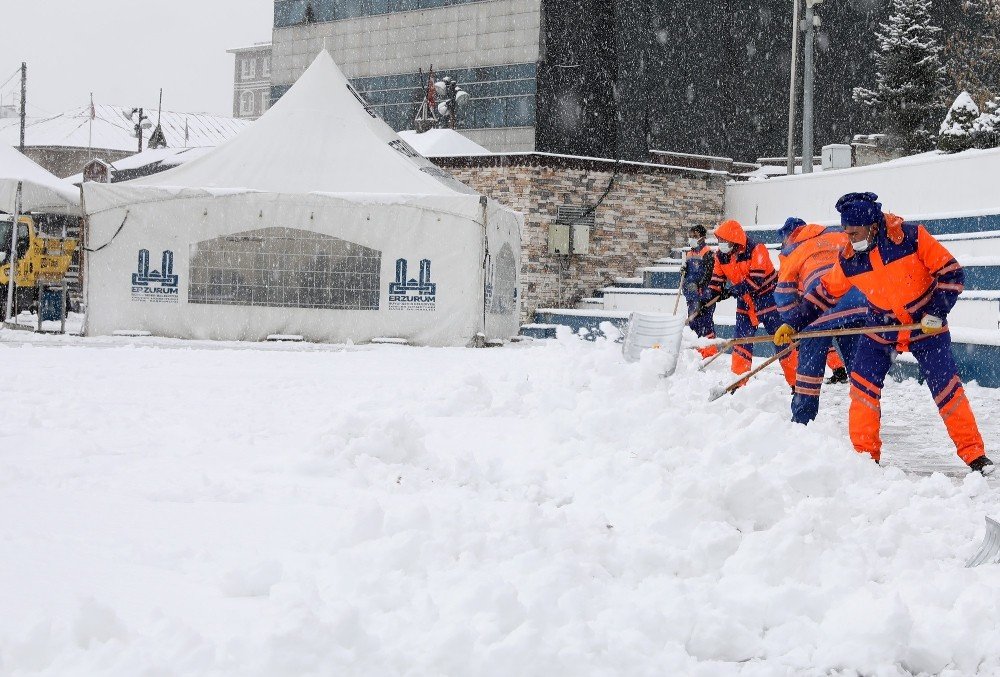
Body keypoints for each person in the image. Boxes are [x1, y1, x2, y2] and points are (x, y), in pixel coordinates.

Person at [775, 192, 995, 475]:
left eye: (854, 233)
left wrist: (936, 312)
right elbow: (824, 293)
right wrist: (793, 323)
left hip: (925, 325)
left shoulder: (912, 238)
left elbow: (951, 273)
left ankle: (975, 455)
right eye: (846, 233)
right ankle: (864, 459)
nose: (849, 239)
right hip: (881, 327)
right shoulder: (850, 258)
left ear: (872, 225)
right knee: (862, 389)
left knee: (947, 390)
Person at [776, 217, 868, 424]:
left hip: (818, 309)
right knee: (861, 372)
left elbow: (783, 292)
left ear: (790, 236)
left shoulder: (794, 250)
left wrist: (793, 323)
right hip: (858, 306)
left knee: (809, 372)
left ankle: (802, 422)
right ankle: (866, 422)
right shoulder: (838, 234)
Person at [707, 219, 798, 387]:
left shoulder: (757, 249)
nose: (721, 245)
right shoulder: (720, 256)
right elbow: (716, 278)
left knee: (781, 340)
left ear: (734, 240)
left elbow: (755, 281)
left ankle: (797, 383)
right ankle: (738, 382)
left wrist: (730, 291)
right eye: (719, 241)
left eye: (724, 241)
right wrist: (709, 295)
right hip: (745, 302)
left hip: (769, 299)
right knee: (741, 341)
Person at [682, 226, 718, 358]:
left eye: (695, 236)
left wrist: (699, 285)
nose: (692, 238)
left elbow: (709, 274)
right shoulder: (689, 253)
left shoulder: (707, 253)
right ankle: (696, 351)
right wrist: (684, 272)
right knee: (693, 322)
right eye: (690, 236)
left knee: (705, 321)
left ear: (702, 237)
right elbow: (689, 273)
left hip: (705, 294)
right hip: (691, 295)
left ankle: (709, 351)